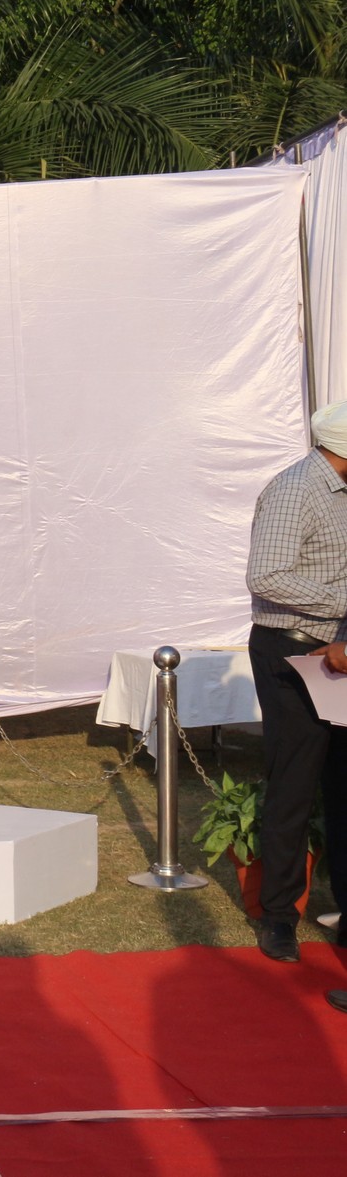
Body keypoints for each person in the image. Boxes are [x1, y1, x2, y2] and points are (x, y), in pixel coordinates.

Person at [244, 400, 347, 963]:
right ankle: (279, 914)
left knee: (343, 784)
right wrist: (341, 602)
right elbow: (266, 576)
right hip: (295, 653)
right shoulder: (294, 490)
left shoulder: (341, 491)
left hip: (340, 650)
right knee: (295, 783)